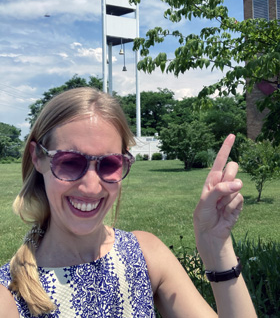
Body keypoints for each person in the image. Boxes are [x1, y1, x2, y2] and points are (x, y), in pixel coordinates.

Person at [0, 87, 256, 318]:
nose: (91, 187)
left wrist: (216, 247)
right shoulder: (10, 295)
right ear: (38, 158)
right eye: (69, 162)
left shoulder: (145, 255)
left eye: (109, 164)